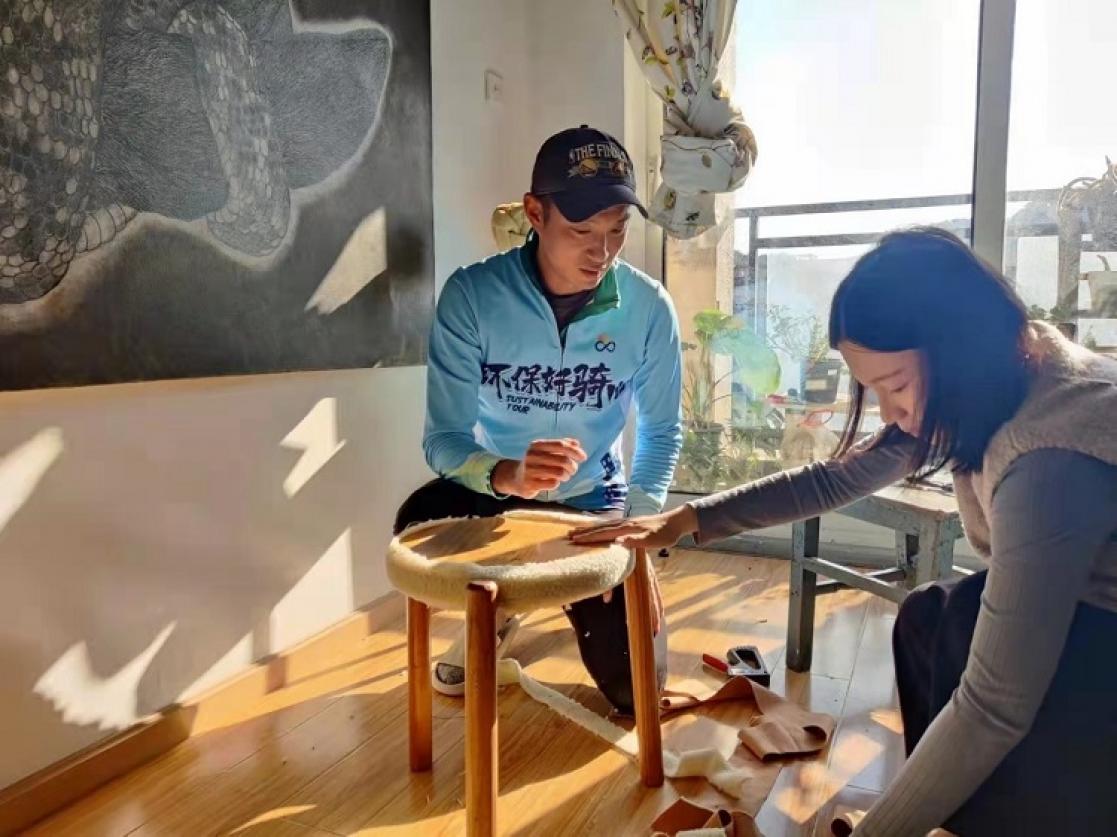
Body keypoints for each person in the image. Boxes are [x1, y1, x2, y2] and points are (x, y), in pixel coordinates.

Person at [572, 228, 1117, 835]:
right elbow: (828, 483)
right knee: (932, 619)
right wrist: (688, 519)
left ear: (961, 349)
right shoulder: (1004, 367)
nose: (892, 412)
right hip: (1085, 605)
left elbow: (994, 708)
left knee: (969, 655)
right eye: (877, 392)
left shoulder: (1048, 460)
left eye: (898, 387)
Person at [395, 125, 683, 715]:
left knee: (638, 696)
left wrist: (640, 532)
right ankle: (503, 602)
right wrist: (505, 474)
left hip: (591, 504)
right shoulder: (472, 296)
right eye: (580, 231)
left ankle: (539, 586)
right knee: (415, 520)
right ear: (534, 213)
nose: (600, 253)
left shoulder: (649, 307)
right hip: (500, 495)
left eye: (617, 232)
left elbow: (660, 430)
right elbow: (443, 438)